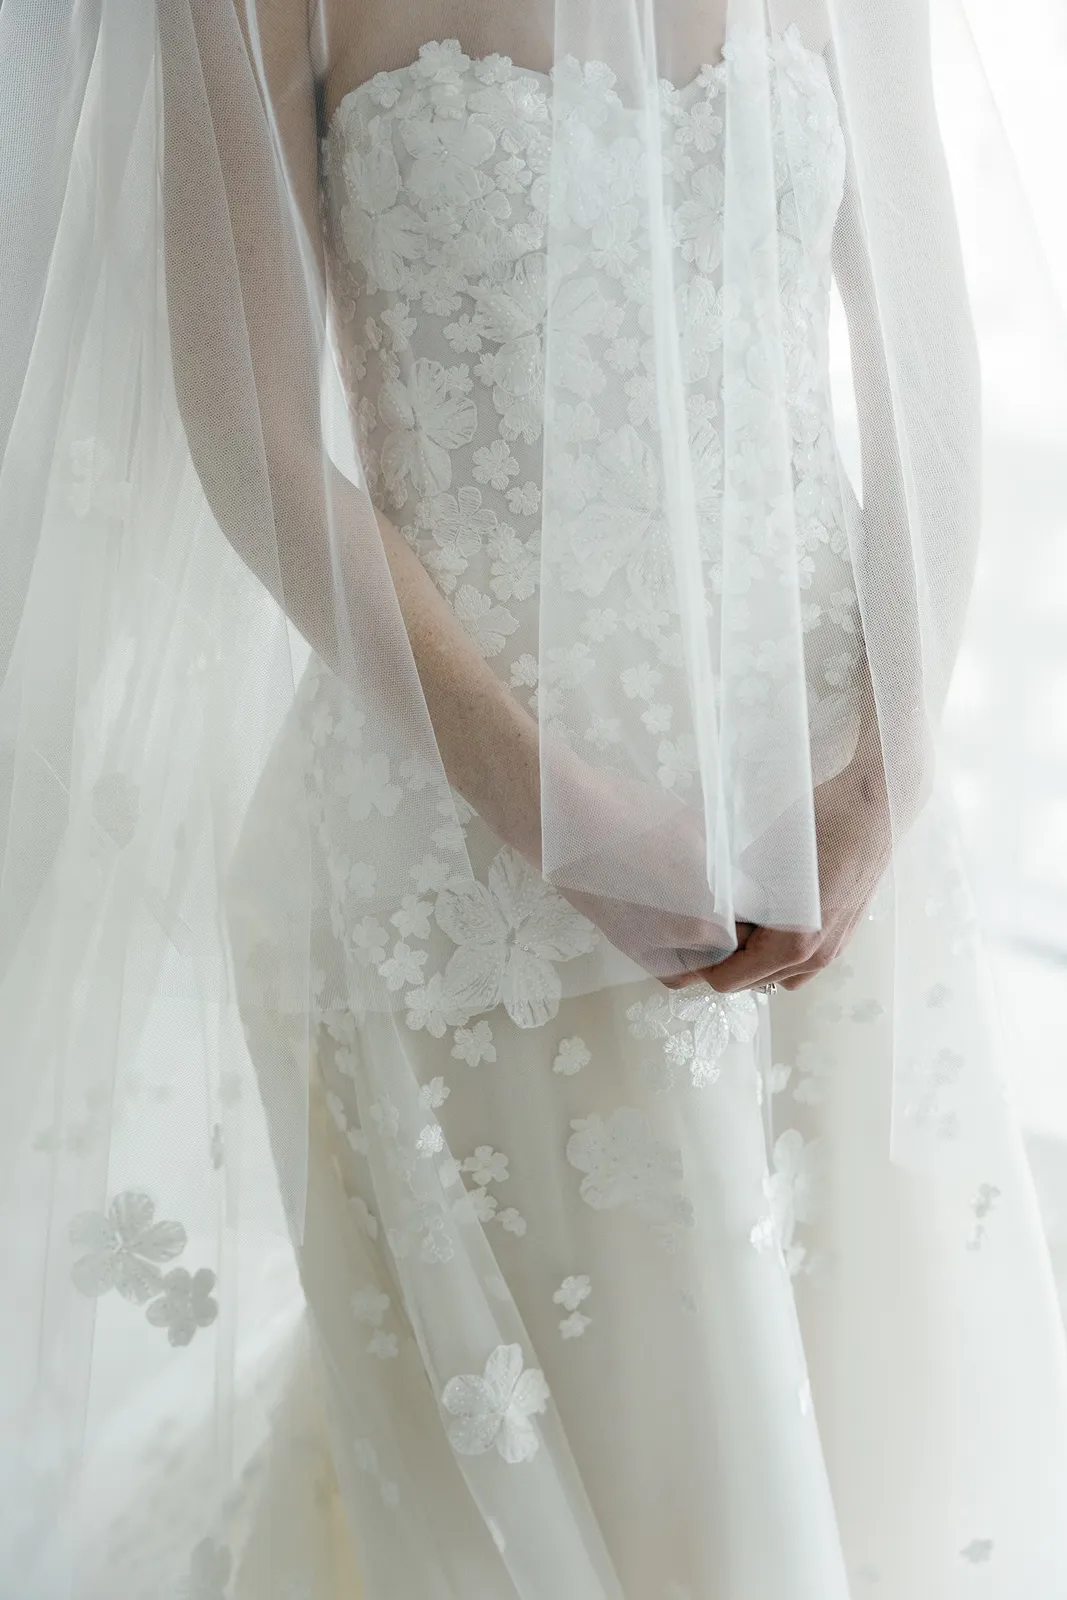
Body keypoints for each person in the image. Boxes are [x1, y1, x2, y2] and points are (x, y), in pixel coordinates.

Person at [2, 2, 1066, 1596]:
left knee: (867, 1430)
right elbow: (251, 434)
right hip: (470, 860)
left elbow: (919, 347)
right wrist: (553, 812)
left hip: (832, 814)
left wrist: (883, 784)